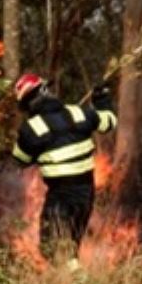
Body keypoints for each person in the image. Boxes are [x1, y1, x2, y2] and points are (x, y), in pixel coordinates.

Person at [11, 73, 117, 266]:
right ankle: (75, 283)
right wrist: (101, 98)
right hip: (86, 191)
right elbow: (109, 121)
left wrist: (37, 149)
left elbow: (20, 159)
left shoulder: (31, 129)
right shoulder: (77, 113)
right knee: (71, 246)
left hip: (60, 194)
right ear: (46, 91)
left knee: (50, 247)